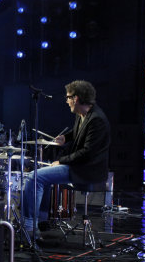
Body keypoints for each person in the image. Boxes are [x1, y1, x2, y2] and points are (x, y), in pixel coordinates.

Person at [22, 80, 110, 239]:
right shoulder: (82, 114)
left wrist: (62, 161)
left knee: (34, 177)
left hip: (87, 169)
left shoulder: (97, 120)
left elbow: (87, 153)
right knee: (42, 175)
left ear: (76, 98)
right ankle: (42, 221)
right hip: (81, 165)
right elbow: (78, 132)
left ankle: (28, 226)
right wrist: (66, 137)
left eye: (68, 97)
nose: (66, 101)